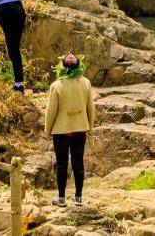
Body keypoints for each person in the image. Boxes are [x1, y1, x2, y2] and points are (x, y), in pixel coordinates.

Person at [45, 53, 94, 206]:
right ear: (79, 66)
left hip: (61, 130)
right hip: (80, 128)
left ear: (63, 67)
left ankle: (61, 198)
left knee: (61, 163)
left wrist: (48, 129)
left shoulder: (57, 85)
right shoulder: (86, 83)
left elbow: (50, 111)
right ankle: (78, 197)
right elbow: (90, 107)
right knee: (78, 162)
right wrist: (89, 125)